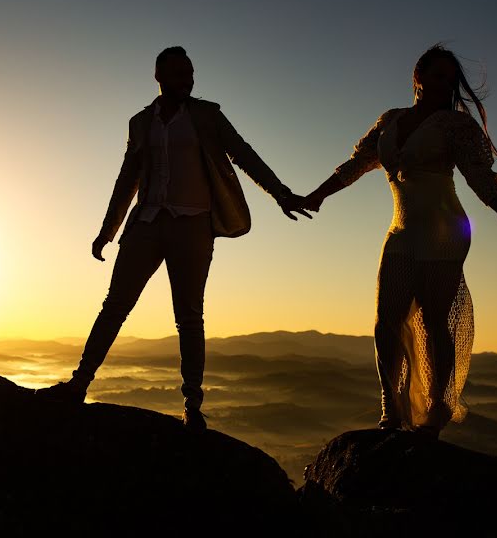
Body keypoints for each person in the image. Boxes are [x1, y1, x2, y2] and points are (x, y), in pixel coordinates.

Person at [36, 46, 310, 431]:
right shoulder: (140, 122)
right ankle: (79, 384)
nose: (189, 81)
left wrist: (280, 193)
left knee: (189, 316)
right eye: (181, 74)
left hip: (193, 226)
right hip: (146, 223)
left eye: (191, 74)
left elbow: (244, 155)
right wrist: (107, 231)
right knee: (114, 306)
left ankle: (192, 405)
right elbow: (127, 179)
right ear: (159, 77)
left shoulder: (207, 115)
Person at [303, 44, 497, 438]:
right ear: (418, 77)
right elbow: (356, 164)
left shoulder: (455, 126)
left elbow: (478, 174)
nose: (445, 84)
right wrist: (316, 197)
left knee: (432, 320)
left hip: (447, 232)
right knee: (385, 321)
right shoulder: (390, 120)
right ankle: (390, 409)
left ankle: (435, 413)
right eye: (438, 76)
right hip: (402, 232)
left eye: (450, 79)